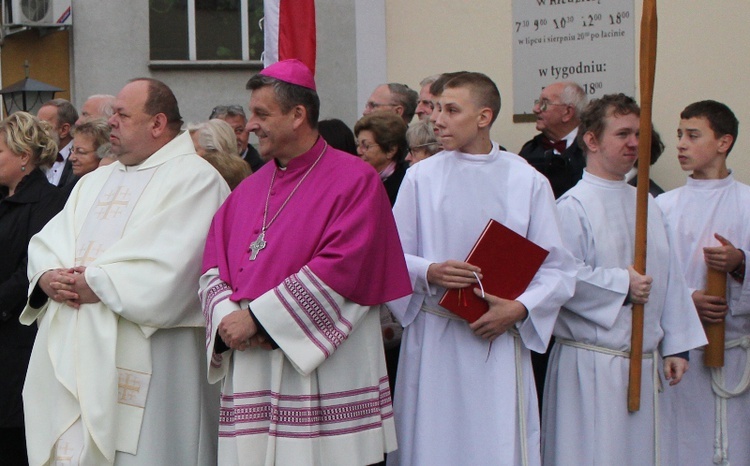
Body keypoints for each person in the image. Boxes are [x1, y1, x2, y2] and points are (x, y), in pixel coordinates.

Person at [200, 59, 411, 466]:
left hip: (324, 369)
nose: (251, 126)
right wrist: (229, 321)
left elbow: (346, 266)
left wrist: (258, 320)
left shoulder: (355, 180)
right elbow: (213, 266)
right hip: (254, 364)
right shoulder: (248, 189)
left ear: (298, 115)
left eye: (262, 114)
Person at [20, 77, 229, 465]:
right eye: (111, 113)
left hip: (156, 358)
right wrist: (49, 277)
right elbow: (50, 241)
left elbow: (176, 266)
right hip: (81, 346)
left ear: (157, 123)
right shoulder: (95, 180)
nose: (110, 122)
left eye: (122, 114)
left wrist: (95, 282)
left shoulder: (196, 180)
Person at [388, 72, 576, 466]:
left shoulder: (526, 180)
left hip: (497, 340)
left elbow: (557, 269)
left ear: (484, 116)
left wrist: (521, 308)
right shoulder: (421, 177)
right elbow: (389, 255)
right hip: (435, 337)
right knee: (433, 443)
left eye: (451, 110)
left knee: (494, 445)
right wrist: (430, 270)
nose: (437, 119)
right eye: (436, 108)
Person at [542, 94, 706, 466]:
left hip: (644, 364)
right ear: (593, 141)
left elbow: (671, 277)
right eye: (623, 134)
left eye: (639, 133)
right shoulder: (573, 207)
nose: (635, 143)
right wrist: (621, 285)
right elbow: (560, 276)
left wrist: (676, 345)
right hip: (591, 365)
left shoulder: (646, 203)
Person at [656, 100, 750, 466]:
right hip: (684, 357)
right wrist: (688, 298)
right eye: (680, 135)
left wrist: (740, 263)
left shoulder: (747, 202)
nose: (680, 144)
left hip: (737, 353)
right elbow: (652, 275)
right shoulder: (664, 207)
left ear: (724, 142)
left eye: (693, 135)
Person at [0, 112, 64, 466]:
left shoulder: (49, 203)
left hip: (20, 341)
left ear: (24, 156)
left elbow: (31, 270)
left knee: (16, 441)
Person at [519, 81, 588, 199]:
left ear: (567, 112)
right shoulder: (529, 152)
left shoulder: (592, 150)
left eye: (544, 103)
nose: (535, 109)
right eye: (537, 103)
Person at [354, 112, 408, 205]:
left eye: (366, 146)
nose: (359, 151)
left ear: (391, 150)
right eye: (358, 144)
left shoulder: (404, 182)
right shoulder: (358, 179)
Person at [188, 119, 251, 190]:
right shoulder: (248, 180)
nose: (187, 154)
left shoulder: (202, 183)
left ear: (212, 151)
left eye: (194, 149)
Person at [209, 104, 266, 172]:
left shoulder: (264, 167)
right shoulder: (203, 164)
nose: (234, 137)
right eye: (226, 131)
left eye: (239, 130)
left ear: (248, 131)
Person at [37, 98, 79, 188]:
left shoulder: (81, 159)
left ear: (64, 130)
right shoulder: (36, 158)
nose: (37, 132)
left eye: (43, 126)